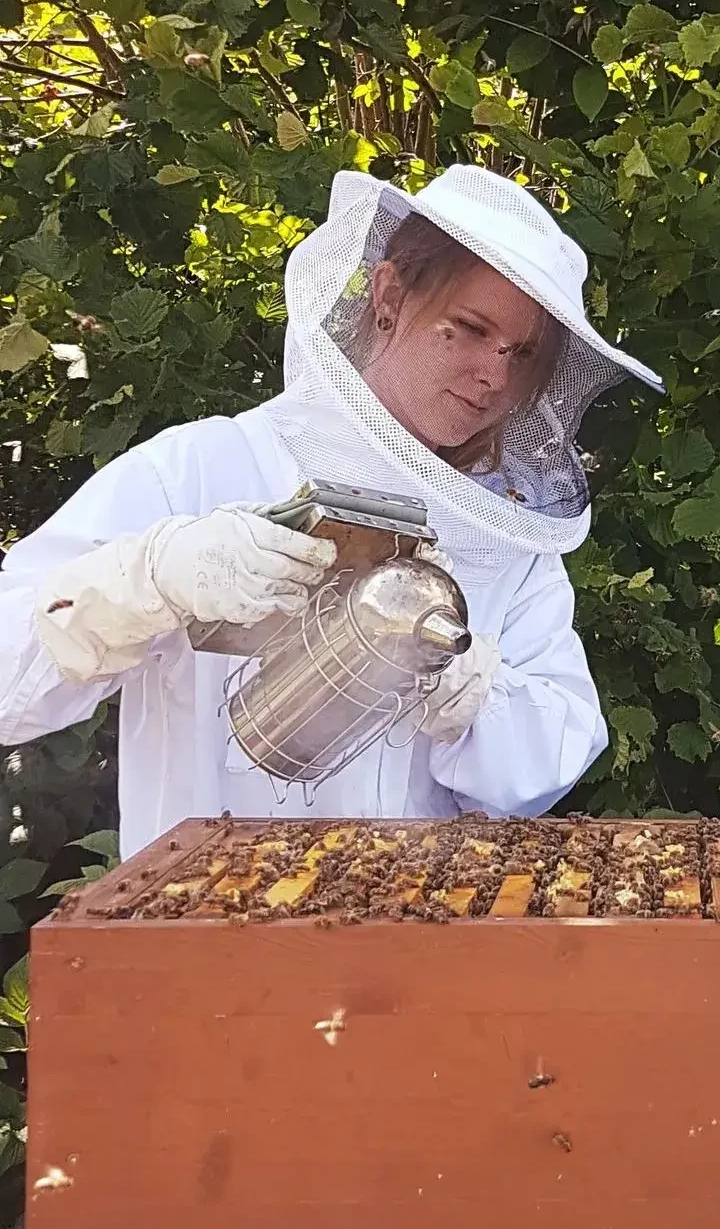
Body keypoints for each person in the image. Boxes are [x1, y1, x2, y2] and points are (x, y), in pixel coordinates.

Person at [0, 164, 662, 854]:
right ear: (388, 297)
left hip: (412, 944)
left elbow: (549, 763)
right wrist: (152, 577)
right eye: (466, 329)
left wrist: (472, 695)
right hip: (210, 943)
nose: (494, 376)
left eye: (521, 354)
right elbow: (8, 678)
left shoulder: (510, 542)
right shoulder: (202, 469)